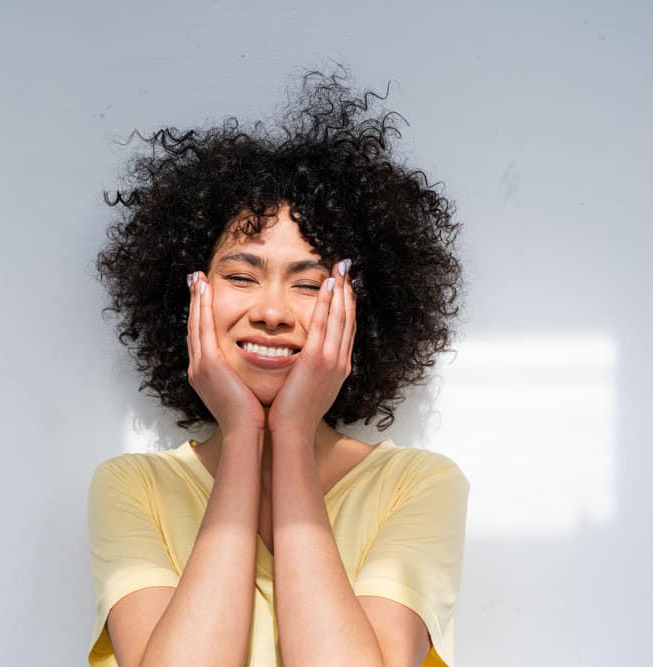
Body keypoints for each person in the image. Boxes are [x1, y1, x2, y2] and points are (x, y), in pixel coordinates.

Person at [88, 66, 469, 667]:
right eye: (241, 276)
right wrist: (242, 434)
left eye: (311, 285)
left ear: (359, 311)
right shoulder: (134, 488)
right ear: (192, 295)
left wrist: (289, 433)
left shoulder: (417, 485)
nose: (271, 311)